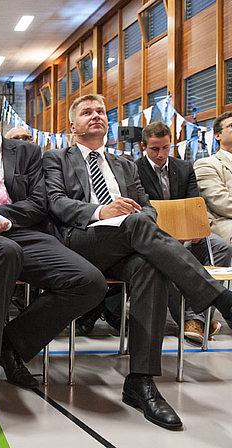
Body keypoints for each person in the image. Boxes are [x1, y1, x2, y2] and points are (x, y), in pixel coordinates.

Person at [42, 93, 232, 430]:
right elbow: (57, 204)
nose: (96, 116)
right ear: (72, 125)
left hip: (128, 243)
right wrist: (104, 211)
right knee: (136, 225)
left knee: (149, 265)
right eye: (87, 112)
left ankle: (141, 381)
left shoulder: (123, 164)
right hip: (80, 242)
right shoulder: (56, 158)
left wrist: (134, 215)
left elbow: (147, 207)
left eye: (100, 111)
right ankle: (219, 298)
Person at [0, 84, 106, 448]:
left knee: (89, 282)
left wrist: (1, 218)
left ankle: (8, 344)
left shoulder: (28, 152)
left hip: (19, 231)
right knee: (2, 252)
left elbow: (39, 204)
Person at [135, 121, 228, 342]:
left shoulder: (185, 168)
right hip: (156, 232)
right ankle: (190, 320)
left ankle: (200, 319)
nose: (161, 154)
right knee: (166, 255)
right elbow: (142, 206)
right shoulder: (134, 169)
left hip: (187, 229)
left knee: (222, 247)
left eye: (166, 147)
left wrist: (194, 227)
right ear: (143, 146)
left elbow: (194, 202)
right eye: (155, 149)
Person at [194, 112, 232, 245]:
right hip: (224, 222)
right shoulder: (207, 164)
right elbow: (221, 203)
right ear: (217, 135)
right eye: (231, 126)